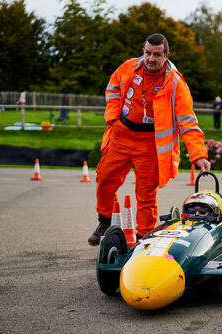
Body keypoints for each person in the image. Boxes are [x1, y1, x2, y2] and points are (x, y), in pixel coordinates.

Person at [88, 33, 211, 246]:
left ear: (166, 56)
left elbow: (188, 122)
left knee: (146, 195)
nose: (150, 59)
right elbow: (112, 90)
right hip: (121, 135)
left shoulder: (175, 83)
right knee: (104, 179)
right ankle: (104, 222)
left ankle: (143, 240)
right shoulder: (127, 67)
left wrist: (199, 154)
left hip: (150, 144)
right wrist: (113, 119)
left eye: (156, 55)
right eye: (147, 53)